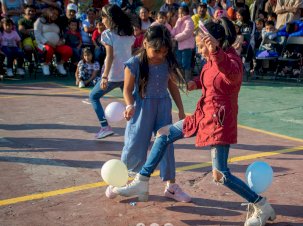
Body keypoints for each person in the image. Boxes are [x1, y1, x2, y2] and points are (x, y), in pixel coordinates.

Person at [106, 17, 276, 226]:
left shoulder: (230, 59)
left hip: (219, 122)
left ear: (212, 42)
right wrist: (195, 83)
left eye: (200, 44)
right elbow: (213, 81)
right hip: (202, 116)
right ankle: (142, 181)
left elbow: (232, 77)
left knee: (220, 174)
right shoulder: (211, 60)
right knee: (164, 134)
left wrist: (215, 53)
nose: (198, 48)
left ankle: (262, 206)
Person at [105, 25, 191, 203]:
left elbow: (172, 86)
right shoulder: (134, 63)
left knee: (167, 145)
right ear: (145, 43)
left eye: (165, 51)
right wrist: (129, 106)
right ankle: (120, 181)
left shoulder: (166, 62)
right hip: (142, 108)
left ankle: (171, 187)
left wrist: (181, 109)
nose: (161, 55)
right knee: (134, 145)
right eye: (157, 51)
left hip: (163, 107)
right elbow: (127, 90)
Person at [89, 4, 135, 139]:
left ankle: (104, 127)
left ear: (110, 18)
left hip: (113, 75)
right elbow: (129, 52)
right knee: (131, 102)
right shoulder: (129, 32)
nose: (102, 21)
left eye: (103, 17)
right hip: (128, 73)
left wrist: (104, 76)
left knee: (93, 96)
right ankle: (137, 128)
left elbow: (110, 56)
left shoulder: (107, 34)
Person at [34, 6, 73, 76]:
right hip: (42, 44)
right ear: (48, 11)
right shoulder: (40, 21)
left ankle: (60, 64)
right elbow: (37, 35)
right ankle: (46, 64)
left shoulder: (58, 23)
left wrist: (62, 41)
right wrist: (48, 42)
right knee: (49, 49)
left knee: (68, 50)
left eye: (56, 15)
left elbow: (63, 34)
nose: (55, 16)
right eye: (53, 13)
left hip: (56, 45)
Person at [171, 5, 195, 81]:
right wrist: (171, 35)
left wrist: (175, 38)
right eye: (179, 13)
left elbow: (186, 33)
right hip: (179, 45)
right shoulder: (179, 20)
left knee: (186, 63)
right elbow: (174, 30)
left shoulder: (189, 21)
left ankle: (187, 80)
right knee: (179, 63)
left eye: (181, 13)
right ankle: (181, 80)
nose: (179, 15)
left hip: (187, 46)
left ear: (185, 13)